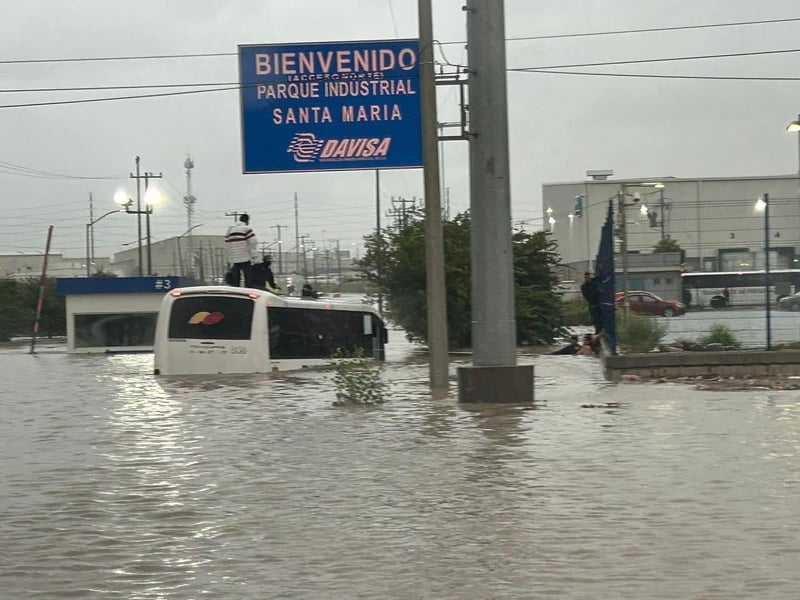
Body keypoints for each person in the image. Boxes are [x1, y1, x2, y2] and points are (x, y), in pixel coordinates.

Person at [224, 213, 259, 287]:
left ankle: (236, 291)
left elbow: (227, 243)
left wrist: (229, 257)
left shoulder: (230, 230)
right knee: (248, 277)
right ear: (247, 221)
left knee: (236, 278)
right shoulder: (246, 229)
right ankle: (248, 290)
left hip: (234, 259)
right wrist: (254, 256)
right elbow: (253, 242)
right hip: (245, 257)